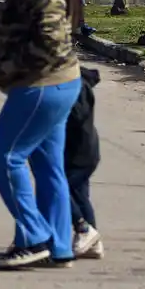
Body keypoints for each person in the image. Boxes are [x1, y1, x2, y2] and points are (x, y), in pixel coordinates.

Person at [0, 0, 82, 270]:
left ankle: (34, 236)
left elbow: (52, 44)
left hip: (42, 87)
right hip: (52, 86)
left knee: (5, 156)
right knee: (47, 166)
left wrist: (12, 68)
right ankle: (59, 246)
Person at [65, 67, 103, 259]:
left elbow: (77, 115)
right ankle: (93, 243)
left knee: (58, 190)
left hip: (81, 153)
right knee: (80, 195)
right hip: (78, 151)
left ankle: (84, 229)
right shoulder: (75, 82)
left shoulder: (77, 85)